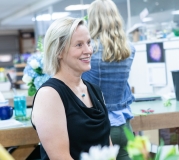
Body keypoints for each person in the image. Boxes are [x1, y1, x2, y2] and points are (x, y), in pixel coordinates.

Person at [31, 17, 111, 160]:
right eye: (79, 45)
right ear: (59, 51)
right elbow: (60, 157)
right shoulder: (49, 95)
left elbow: (108, 147)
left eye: (88, 43)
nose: (88, 50)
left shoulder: (94, 90)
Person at [82, 0, 135, 159]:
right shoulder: (129, 49)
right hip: (124, 125)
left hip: (99, 127)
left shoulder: (89, 53)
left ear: (92, 20)